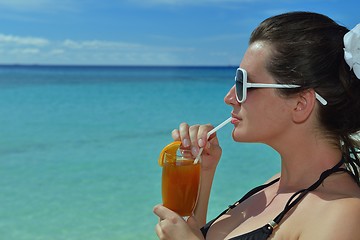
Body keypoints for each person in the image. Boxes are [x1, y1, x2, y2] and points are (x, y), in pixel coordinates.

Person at [153, 11, 360, 240]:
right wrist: (202, 173)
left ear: (300, 103)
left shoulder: (343, 214)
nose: (229, 97)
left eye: (243, 83)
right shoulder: (272, 186)